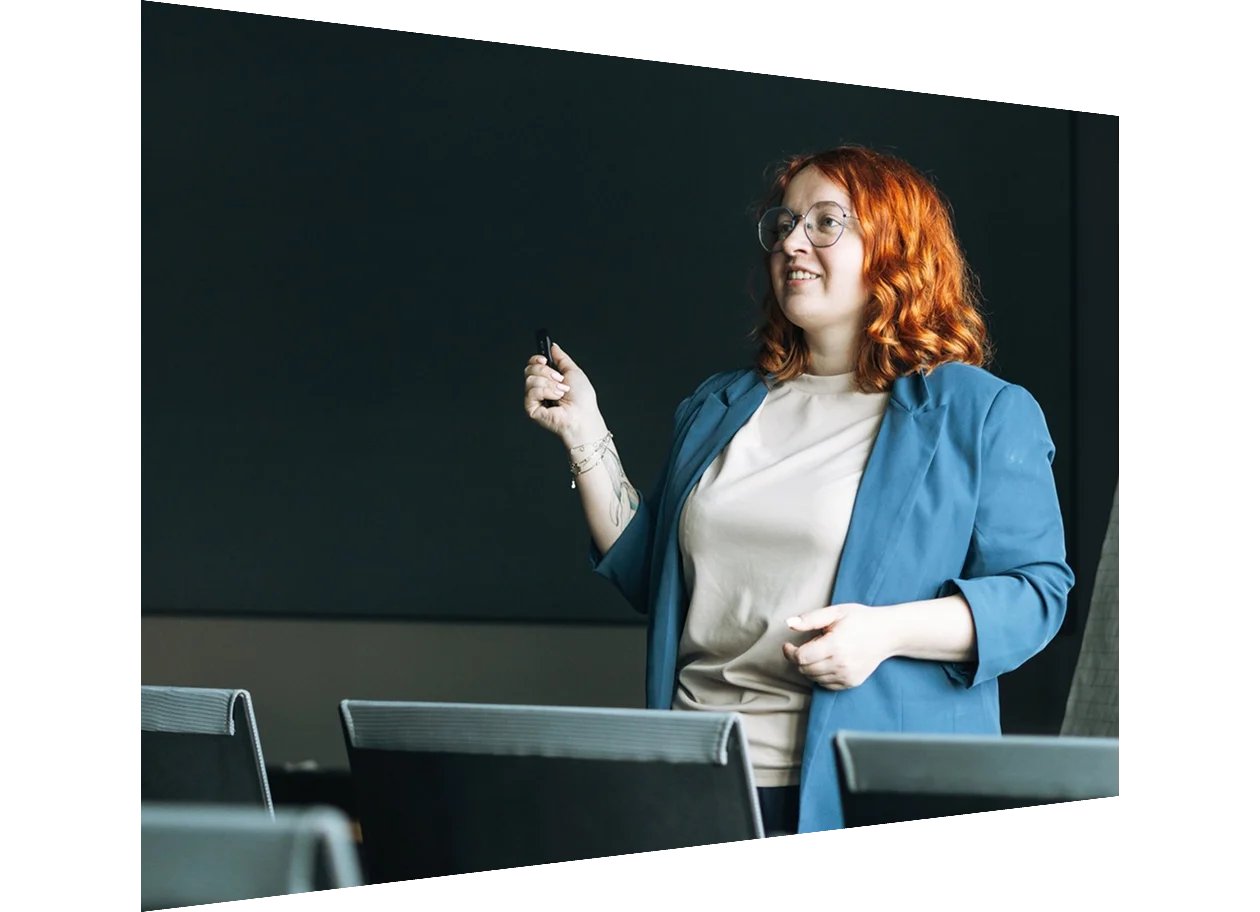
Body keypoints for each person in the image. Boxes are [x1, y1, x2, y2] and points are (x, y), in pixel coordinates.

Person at [521, 144, 1074, 836]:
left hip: (861, 790)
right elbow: (647, 574)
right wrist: (585, 433)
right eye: (783, 224)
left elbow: (1035, 595)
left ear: (894, 248)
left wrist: (885, 632)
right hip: (697, 782)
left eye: (824, 222)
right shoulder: (719, 405)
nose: (792, 241)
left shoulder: (979, 411)